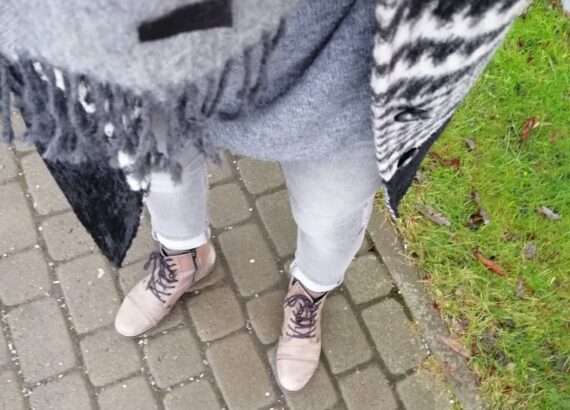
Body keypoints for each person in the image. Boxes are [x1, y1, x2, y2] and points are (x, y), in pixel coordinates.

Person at [0, 0, 525, 393]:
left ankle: (310, 293)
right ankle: (183, 256)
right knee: (159, 167)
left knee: (331, 212)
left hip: (356, 65)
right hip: (166, 42)